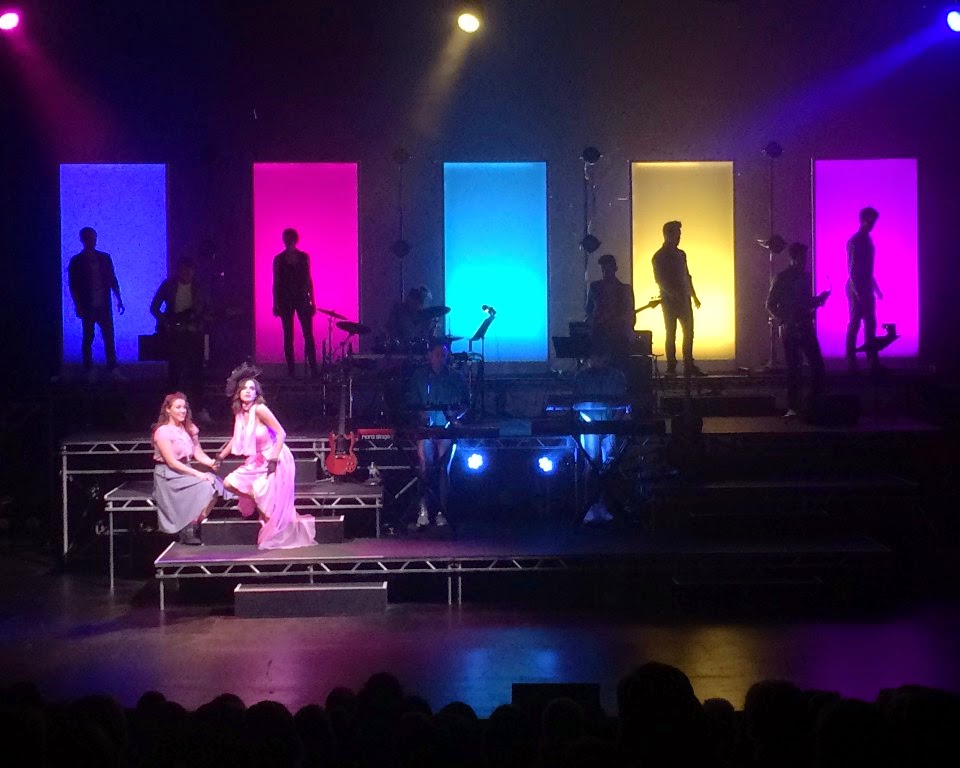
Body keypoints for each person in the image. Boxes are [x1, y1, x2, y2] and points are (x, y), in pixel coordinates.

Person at [215, 364, 316, 550]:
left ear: (256, 393)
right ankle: (263, 507)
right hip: (257, 459)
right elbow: (237, 437)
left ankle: (275, 528)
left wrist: (274, 459)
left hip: (275, 457)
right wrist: (220, 456)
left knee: (265, 502)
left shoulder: (260, 409)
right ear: (238, 392)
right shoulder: (239, 412)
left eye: (252, 388)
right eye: (244, 388)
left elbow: (281, 433)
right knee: (229, 483)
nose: (248, 391)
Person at [405, 342, 469, 529]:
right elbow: (412, 402)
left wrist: (454, 417)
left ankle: (442, 511)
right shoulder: (419, 376)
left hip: (446, 427)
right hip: (426, 427)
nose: (441, 359)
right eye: (438, 354)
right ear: (430, 355)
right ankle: (423, 509)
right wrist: (421, 416)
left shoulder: (456, 377)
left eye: (444, 355)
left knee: (443, 468)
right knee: (424, 466)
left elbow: (465, 403)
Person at [151, 392, 228, 545]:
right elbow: (172, 463)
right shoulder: (163, 431)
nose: (182, 411)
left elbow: (197, 452)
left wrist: (211, 462)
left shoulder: (189, 429)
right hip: (169, 475)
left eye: (184, 407)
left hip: (185, 471)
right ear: (168, 410)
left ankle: (193, 524)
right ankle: (186, 528)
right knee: (206, 484)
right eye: (178, 407)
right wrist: (198, 474)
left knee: (216, 484)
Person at [766, 242, 830, 419]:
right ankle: (803, 405)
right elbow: (770, 304)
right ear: (793, 258)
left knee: (807, 366)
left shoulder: (798, 277)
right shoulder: (785, 278)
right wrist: (787, 319)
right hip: (793, 327)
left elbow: (774, 304)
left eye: (805, 258)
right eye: (802, 258)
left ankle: (804, 405)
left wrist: (817, 301)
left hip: (799, 325)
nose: (804, 261)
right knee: (800, 367)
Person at [573, 343, 629, 524]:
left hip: (609, 423)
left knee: (609, 464)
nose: (599, 361)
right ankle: (591, 505)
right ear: (590, 359)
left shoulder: (617, 376)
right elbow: (577, 403)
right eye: (596, 357)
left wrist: (615, 423)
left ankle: (606, 504)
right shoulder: (581, 377)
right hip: (590, 424)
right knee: (592, 463)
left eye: (603, 357)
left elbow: (622, 402)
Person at [67, 227, 125, 380]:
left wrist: (119, 298)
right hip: (88, 305)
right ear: (83, 240)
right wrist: (78, 305)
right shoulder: (77, 261)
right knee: (88, 337)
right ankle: (89, 368)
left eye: (93, 237)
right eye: (89, 237)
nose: (92, 240)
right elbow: (73, 285)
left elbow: (112, 279)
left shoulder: (104, 258)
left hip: (103, 304)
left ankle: (112, 368)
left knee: (108, 336)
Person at [150, 260, 207, 416]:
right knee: (174, 371)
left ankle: (199, 409)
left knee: (196, 371)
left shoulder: (199, 286)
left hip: (194, 332)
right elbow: (154, 307)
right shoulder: (169, 285)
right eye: (184, 271)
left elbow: (207, 309)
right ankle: (169, 410)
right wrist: (166, 323)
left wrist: (197, 323)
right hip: (174, 332)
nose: (187, 274)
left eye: (189, 271)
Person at [652, 221, 704, 376]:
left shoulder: (681, 254)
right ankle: (672, 366)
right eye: (677, 234)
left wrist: (693, 295)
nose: (679, 238)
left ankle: (688, 364)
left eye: (679, 235)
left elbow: (687, 275)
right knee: (671, 333)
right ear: (668, 235)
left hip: (683, 298)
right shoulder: (659, 257)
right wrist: (673, 294)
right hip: (670, 301)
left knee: (688, 332)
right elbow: (659, 280)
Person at [273, 228, 319, 377]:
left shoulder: (302, 257)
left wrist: (312, 300)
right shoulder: (280, 259)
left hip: (300, 298)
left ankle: (312, 368)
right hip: (287, 299)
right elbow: (276, 282)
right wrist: (275, 303)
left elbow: (308, 280)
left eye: (288, 239)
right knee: (289, 336)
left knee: (307, 334)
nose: (286, 242)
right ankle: (292, 370)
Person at [845, 206, 883, 372]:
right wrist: (859, 293)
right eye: (871, 221)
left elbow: (867, 270)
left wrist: (875, 288)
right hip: (858, 289)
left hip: (864, 288)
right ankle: (852, 362)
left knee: (869, 324)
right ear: (864, 220)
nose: (873, 224)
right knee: (856, 323)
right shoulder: (856, 241)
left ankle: (871, 361)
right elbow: (853, 270)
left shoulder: (865, 240)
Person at [585, 254, 636, 358]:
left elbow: (630, 314)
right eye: (603, 269)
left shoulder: (624, 290)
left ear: (615, 269)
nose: (605, 272)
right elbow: (589, 310)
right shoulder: (595, 287)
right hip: (600, 333)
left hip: (617, 334)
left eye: (608, 269)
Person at [385, 285, 437, 349]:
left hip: (418, 349)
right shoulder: (399, 311)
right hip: (400, 349)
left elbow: (428, 337)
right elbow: (390, 329)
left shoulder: (427, 318)